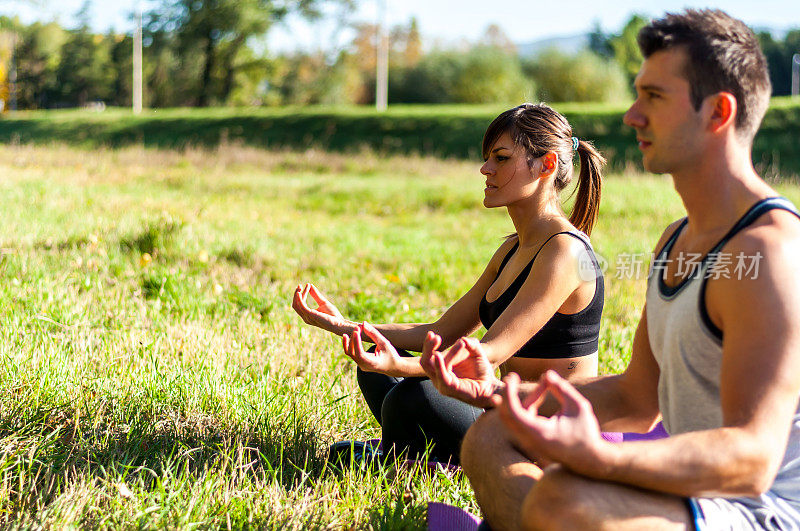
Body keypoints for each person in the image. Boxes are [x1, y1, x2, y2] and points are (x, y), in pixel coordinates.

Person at [421, 8, 800, 530]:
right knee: (489, 435)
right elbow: (635, 399)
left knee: (562, 500)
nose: (632, 115)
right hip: (692, 495)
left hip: (759, 513)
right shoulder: (676, 241)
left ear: (718, 113)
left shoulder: (769, 252)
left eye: (654, 97)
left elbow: (754, 460)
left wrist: (602, 460)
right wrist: (502, 397)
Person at [292, 103, 605, 464]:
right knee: (376, 364)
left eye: (501, 158)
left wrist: (401, 367)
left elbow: (488, 355)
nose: (485, 168)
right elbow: (442, 332)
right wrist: (349, 327)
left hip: (544, 434)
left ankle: (409, 458)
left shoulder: (565, 252)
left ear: (547, 165)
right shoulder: (512, 248)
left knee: (414, 395)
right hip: (498, 413)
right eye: (488, 158)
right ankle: (413, 454)